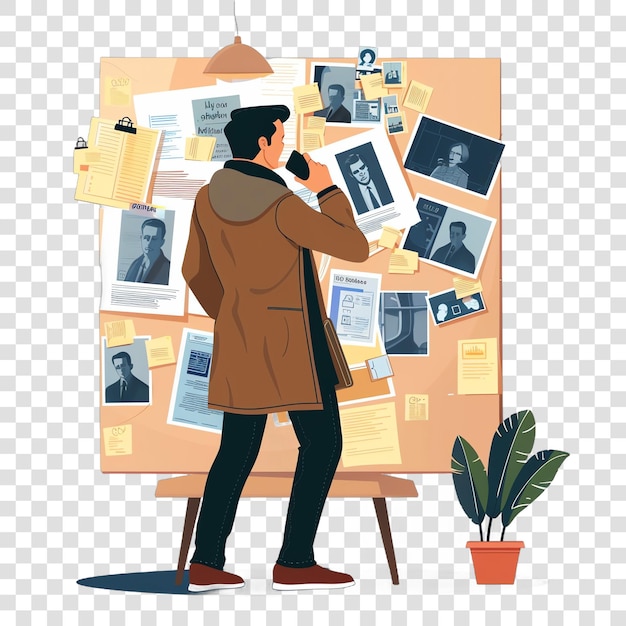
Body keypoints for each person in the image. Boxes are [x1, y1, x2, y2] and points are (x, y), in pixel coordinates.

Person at [182, 104, 369, 593]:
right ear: (263, 144)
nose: (284, 145)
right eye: (280, 137)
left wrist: (233, 313)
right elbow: (354, 247)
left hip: (240, 341)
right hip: (293, 346)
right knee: (324, 443)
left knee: (236, 450)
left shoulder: (205, 199)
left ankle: (206, 562)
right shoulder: (281, 204)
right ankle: (295, 562)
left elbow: (195, 273)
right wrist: (326, 187)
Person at [124, 218, 171, 285]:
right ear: (141, 238)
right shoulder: (135, 264)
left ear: (162, 242)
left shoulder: (168, 269)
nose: (149, 243)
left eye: (154, 239)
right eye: (146, 238)